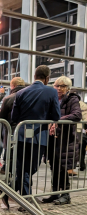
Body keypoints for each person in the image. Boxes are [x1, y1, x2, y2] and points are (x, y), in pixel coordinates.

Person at [11, 65, 61, 211]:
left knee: (23, 168)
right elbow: (56, 116)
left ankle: (14, 189)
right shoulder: (51, 91)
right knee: (31, 168)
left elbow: (14, 117)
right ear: (47, 78)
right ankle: (26, 200)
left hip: (21, 135)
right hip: (39, 136)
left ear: (34, 76)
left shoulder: (20, 93)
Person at [42, 76, 81, 205]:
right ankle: (55, 193)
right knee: (54, 167)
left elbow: (77, 115)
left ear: (68, 88)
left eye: (62, 86)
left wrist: (57, 121)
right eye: (57, 86)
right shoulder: (52, 99)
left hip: (66, 140)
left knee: (63, 168)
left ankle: (65, 195)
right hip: (53, 139)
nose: (59, 88)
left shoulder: (72, 99)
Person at [0, 77, 26, 175]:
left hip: (11, 130)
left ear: (12, 86)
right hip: (27, 132)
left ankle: (8, 177)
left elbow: (1, 116)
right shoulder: (29, 96)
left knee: (9, 155)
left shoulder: (9, 98)